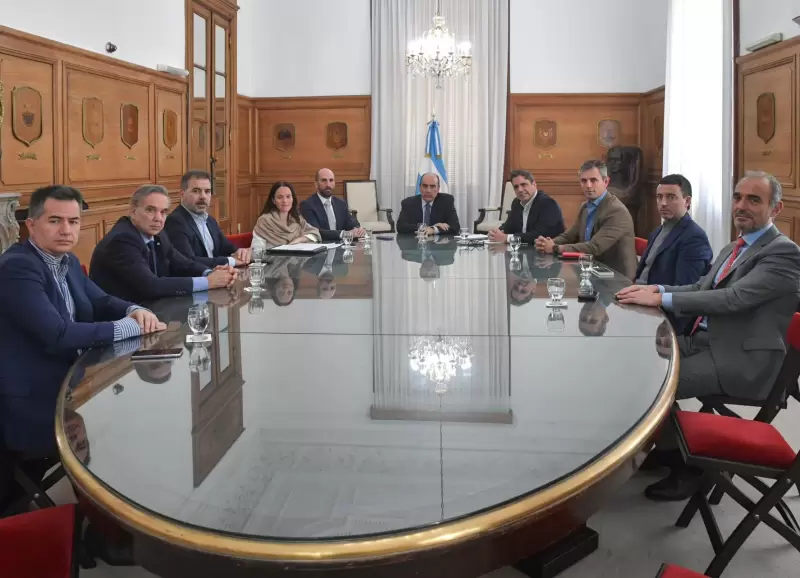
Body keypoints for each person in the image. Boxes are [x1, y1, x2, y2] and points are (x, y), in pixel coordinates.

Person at [617, 171, 800, 500]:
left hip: (743, 359)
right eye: (737, 197)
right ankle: (667, 448)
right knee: (634, 365)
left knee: (653, 387)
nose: (741, 205)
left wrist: (660, 299)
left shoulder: (784, 254)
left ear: (776, 208)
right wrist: (655, 288)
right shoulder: (736, 245)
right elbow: (700, 289)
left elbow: (733, 299)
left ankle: (689, 467)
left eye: (753, 200)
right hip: (705, 340)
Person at [0, 185, 166, 511]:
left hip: (69, 382)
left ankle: (109, 523)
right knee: (120, 429)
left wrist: (133, 309)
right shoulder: (18, 268)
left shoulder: (68, 262)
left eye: (74, 222)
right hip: (31, 401)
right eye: (55, 221)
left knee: (137, 415)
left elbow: (101, 300)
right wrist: (129, 327)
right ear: (30, 226)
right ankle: (107, 529)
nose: (66, 230)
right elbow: (58, 335)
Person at [90, 184, 237, 304]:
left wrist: (211, 272)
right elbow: (151, 285)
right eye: (150, 210)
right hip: (122, 319)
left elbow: (182, 262)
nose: (158, 218)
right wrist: (208, 282)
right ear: (133, 212)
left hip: (153, 311)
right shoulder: (122, 240)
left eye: (163, 212)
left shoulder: (157, 233)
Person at [634, 174, 713, 333]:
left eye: (671, 197)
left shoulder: (694, 237)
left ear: (687, 201)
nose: (663, 203)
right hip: (639, 303)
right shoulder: (657, 231)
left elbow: (684, 291)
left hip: (661, 316)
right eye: (659, 197)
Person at [535, 160, 637, 280]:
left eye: (593, 180)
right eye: (584, 181)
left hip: (616, 279)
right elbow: (569, 236)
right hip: (590, 272)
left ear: (606, 181)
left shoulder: (616, 211)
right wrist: (547, 243)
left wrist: (554, 248)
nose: (588, 186)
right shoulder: (585, 207)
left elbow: (594, 247)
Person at [164, 170, 251, 267]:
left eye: (207, 191)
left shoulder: (210, 220)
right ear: (182, 194)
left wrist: (240, 252)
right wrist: (230, 261)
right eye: (196, 191)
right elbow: (188, 261)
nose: (203, 197)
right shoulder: (176, 221)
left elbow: (227, 248)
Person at [488, 169, 565, 244]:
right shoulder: (516, 202)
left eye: (523, 185)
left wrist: (507, 238)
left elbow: (540, 235)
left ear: (534, 185)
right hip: (525, 250)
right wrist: (496, 233)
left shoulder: (548, 204)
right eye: (516, 187)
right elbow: (509, 226)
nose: (520, 190)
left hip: (549, 252)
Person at [299, 168, 365, 241]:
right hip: (321, 247)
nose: (328, 184)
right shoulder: (307, 205)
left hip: (342, 247)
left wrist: (358, 230)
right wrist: (344, 234)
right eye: (324, 180)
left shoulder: (341, 203)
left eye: (331, 180)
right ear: (316, 184)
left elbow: (352, 223)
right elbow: (316, 232)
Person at [251, 181, 321, 248]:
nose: (285, 201)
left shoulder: (297, 219)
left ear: (292, 199)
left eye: (288, 196)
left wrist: (298, 240)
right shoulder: (264, 221)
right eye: (280, 197)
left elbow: (315, 233)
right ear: (273, 200)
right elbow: (256, 251)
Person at [396, 173, 460, 235]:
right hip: (415, 243)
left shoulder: (446, 201)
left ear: (438, 189)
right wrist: (428, 227)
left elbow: (455, 227)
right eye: (425, 186)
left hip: (438, 244)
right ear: (420, 188)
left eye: (432, 186)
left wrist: (433, 230)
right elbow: (401, 227)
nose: (428, 190)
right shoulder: (408, 203)